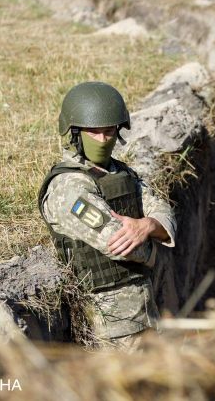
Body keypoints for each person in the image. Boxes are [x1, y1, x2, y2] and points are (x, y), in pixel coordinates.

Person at [38, 81, 176, 351]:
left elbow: (163, 211)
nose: (103, 139)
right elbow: (119, 244)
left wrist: (148, 224)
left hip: (146, 312)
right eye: (94, 132)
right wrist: (156, 251)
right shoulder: (69, 187)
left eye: (109, 131)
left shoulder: (120, 172)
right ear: (75, 132)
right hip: (109, 324)